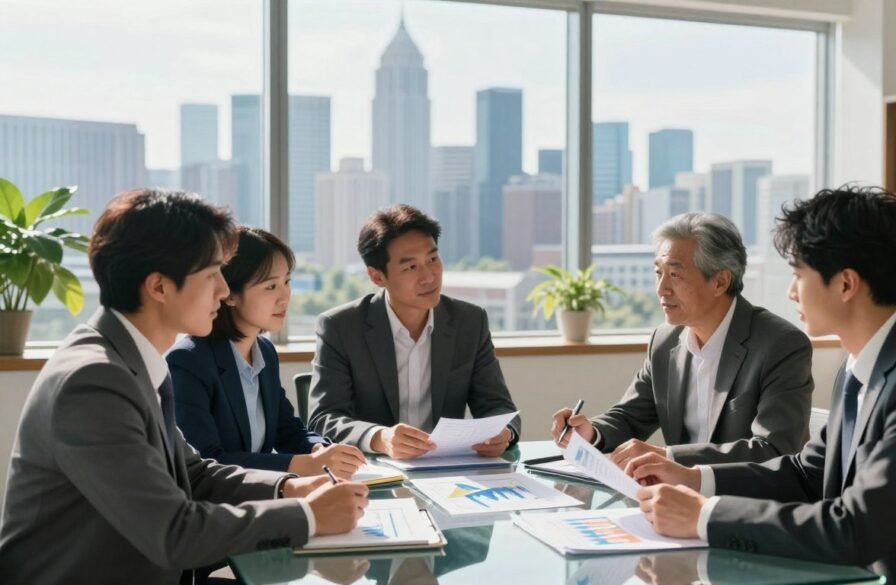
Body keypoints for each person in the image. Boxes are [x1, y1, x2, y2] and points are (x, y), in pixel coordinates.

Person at [626, 186, 896, 584]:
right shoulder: (864, 363)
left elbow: (855, 529)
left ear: (846, 284)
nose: (791, 290)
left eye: (799, 274)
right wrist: (692, 478)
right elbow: (807, 473)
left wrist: (705, 516)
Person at [0, 189, 368, 585]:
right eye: (212, 274)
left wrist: (290, 486)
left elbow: (193, 473)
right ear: (159, 287)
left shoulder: (131, 360)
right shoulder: (93, 380)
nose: (224, 291)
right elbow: (174, 533)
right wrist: (309, 516)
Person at [552, 212, 812, 468]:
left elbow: (774, 449)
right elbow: (631, 416)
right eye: (658, 273)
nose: (661, 289)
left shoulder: (781, 345)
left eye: (675, 275)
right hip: (677, 500)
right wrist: (591, 432)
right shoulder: (665, 340)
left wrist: (670, 457)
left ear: (720, 281)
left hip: (745, 502)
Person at [307, 204, 521, 459]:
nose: (429, 276)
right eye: (411, 267)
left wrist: (504, 432)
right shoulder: (341, 327)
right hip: (375, 474)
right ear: (377, 277)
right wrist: (380, 438)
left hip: (449, 472)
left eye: (432, 259)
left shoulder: (469, 322)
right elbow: (323, 418)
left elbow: (498, 406)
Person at [167, 226, 365, 476]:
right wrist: (300, 465)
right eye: (270, 287)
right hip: (217, 507)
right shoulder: (188, 361)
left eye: (287, 282)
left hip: (262, 497)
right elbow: (206, 462)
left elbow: (287, 431)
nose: (285, 297)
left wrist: (321, 450)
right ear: (229, 294)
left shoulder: (264, 352)